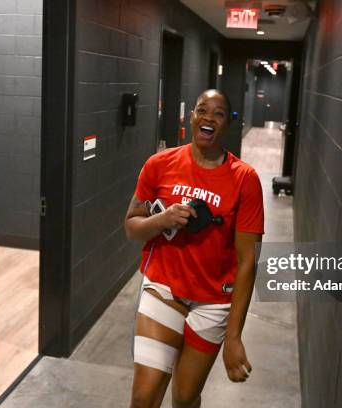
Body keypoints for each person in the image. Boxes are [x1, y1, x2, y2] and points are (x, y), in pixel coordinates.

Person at [124, 89, 264, 408]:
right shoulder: (159, 165)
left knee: (185, 398)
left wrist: (234, 336)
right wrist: (164, 219)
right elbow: (132, 227)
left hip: (214, 300)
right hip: (164, 288)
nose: (208, 117)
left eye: (218, 113)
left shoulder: (245, 180)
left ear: (227, 123)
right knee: (144, 398)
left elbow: (247, 262)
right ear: (191, 118)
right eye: (202, 110)